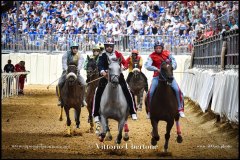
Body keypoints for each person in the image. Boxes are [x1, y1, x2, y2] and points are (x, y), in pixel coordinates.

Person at [92, 37, 138, 123]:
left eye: (110, 46)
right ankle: (96, 114)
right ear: (105, 47)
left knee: (128, 90)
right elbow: (100, 65)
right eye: (107, 46)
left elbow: (124, 63)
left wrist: (124, 66)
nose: (109, 47)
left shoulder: (118, 54)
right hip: (106, 77)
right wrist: (102, 71)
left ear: (113, 46)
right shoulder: (102, 55)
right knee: (97, 91)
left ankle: (132, 111)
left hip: (118, 76)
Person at [144, 41, 185, 118]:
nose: (158, 49)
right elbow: (147, 66)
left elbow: (174, 62)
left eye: (159, 48)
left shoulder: (167, 53)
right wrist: (156, 69)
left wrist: (172, 67)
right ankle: (149, 111)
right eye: (156, 48)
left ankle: (180, 109)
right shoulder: (151, 56)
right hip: (157, 77)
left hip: (169, 77)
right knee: (150, 92)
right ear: (154, 49)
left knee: (177, 90)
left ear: (162, 48)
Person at [57, 42, 86, 106]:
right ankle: (60, 99)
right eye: (74, 48)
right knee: (59, 84)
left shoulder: (80, 55)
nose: (75, 49)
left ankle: (83, 99)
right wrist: (67, 70)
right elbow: (64, 63)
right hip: (67, 72)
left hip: (76, 73)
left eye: (76, 48)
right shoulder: (66, 54)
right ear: (71, 48)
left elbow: (80, 64)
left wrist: (77, 70)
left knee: (83, 84)